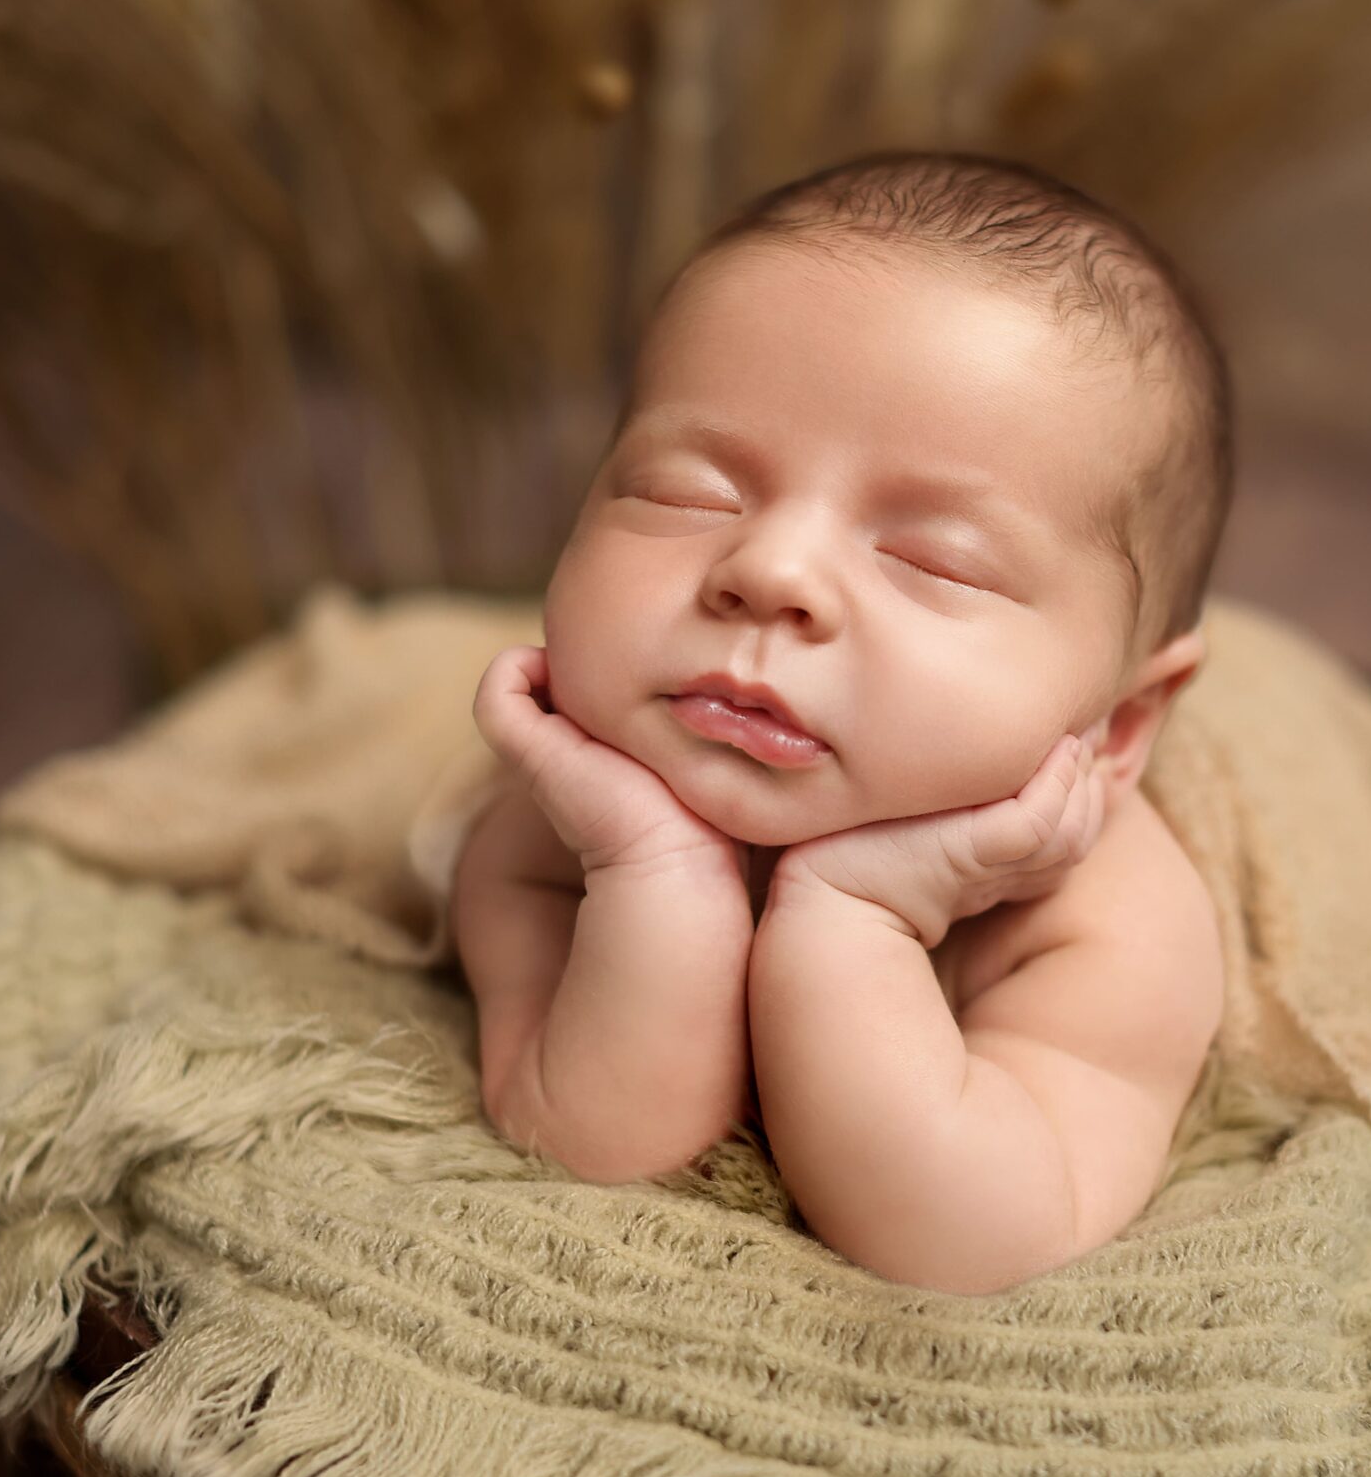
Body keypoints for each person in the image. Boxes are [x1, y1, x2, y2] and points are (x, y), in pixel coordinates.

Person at [450, 150, 1234, 1295]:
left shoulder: (1108, 922)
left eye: (933, 560)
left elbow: (973, 1238)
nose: (768, 570)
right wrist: (651, 869)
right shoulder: (548, 823)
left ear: (1117, 725)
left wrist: (854, 922)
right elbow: (593, 1142)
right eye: (688, 493)